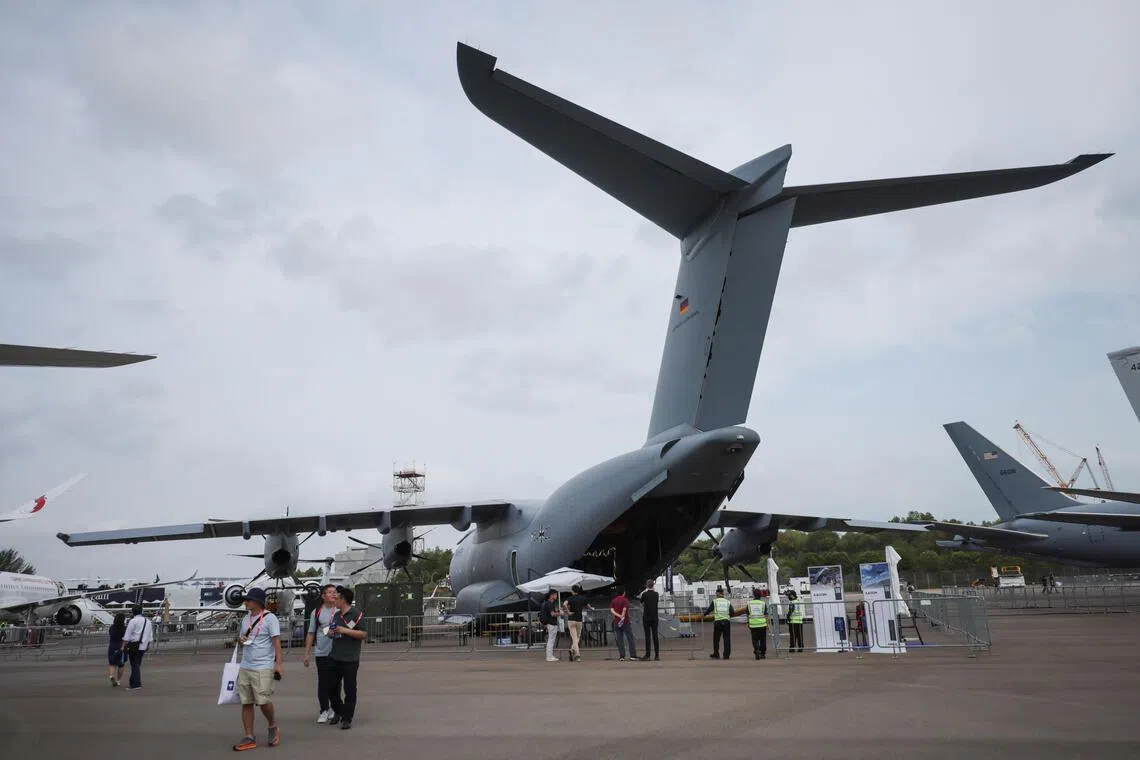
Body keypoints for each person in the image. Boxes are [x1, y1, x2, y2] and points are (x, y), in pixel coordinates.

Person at [232, 587, 283, 752]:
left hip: (263, 666)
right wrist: (241, 640)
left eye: (248, 600)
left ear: (258, 602)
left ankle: (273, 725)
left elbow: (276, 642)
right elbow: (242, 639)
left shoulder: (270, 618)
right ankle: (249, 736)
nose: (245, 602)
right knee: (246, 701)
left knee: (263, 701)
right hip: (246, 664)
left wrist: (278, 664)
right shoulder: (245, 619)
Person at [326, 586, 366, 730]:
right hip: (335, 656)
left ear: (343, 599)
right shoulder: (336, 615)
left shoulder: (356, 614)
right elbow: (333, 629)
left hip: (350, 658)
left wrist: (345, 630)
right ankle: (339, 710)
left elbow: (363, 634)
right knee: (330, 688)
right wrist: (330, 633)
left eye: (336, 598)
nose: (334, 600)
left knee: (350, 689)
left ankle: (346, 718)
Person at [303, 584, 338, 723]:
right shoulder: (316, 612)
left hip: (337, 652)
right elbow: (311, 633)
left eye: (335, 592)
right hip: (322, 652)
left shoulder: (340, 610)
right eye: (330, 592)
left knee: (336, 682)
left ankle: (335, 708)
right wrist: (307, 653)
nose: (333, 594)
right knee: (323, 682)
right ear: (323, 596)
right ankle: (324, 709)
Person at [120, 604, 153, 689]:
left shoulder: (133, 621)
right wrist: (148, 644)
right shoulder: (148, 621)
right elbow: (150, 635)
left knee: (134, 665)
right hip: (143, 645)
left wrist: (123, 646)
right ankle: (133, 682)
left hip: (134, 645)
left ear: (133, 612)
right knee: (137, 664)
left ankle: (136, 684)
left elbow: (127, 635)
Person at [562, 585, 592, 662]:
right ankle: (577, 654)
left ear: (572, 591)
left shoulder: (570, 598)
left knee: (574, 638)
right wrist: (592, 608)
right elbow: (588, 606)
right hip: (579, 620)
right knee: (577, 637)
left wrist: (568, 612)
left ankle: (573, 650)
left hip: (571, 619)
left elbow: (564, 604)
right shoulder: (583, 598)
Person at [705, 586, 733, 659]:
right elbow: (732, 612)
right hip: (726, 622)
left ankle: (716, 654)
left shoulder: (715, 601)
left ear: (717, 593)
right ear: (723, 593)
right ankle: (726, 655)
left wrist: (703, 615)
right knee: (726, 639)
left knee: (716, 639)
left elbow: (709, 610)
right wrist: (727, 616)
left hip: (718, 622)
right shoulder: (727, 602)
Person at [610, 586, 637, 661]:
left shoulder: (614, 600)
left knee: (619, 639)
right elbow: (624, 609)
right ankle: (632, 655)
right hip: (625, 621)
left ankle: (622, 656)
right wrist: (622, 616)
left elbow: (611, 610)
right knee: (630, 638)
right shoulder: (625, 600)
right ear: (624, 593)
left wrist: (618, 616)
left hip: (616, 621)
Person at [638, 579, 660, 661]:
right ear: (653, 585)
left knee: (647, 637)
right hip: (655, 617)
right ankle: (657, 655)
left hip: (647, 618)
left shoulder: (644, 594)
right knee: (655, 636)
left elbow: (641, 602)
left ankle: (647, 655)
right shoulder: (656, 594)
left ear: (647, 585)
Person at [539, 589, 561, 662]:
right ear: (552, 595)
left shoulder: (547, 603)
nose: (556, 596)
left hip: (550, 623)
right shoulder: (550, 603)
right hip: (551, 623)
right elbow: (552, 614)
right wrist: (561, 614)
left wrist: (558, 611)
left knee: (551, 640)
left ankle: (550, 655)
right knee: (551, 640)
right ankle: (549, 656)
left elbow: (553, 612)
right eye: (556, 594)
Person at [746, 588, 769, 660]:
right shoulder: (763, 603)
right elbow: (766, 615)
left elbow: (748, 614)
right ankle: (762, 653)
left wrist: (748, 622)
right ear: (760, 595)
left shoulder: (749, 603)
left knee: (755, 639)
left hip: (753, 624)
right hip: (762, 624)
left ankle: (757, 650)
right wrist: (767, 624)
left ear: (753, 595)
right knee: (763, 639)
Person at [106, 612, 127, 687]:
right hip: (121, 647)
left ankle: (111, 676)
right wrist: (123, 647)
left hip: (112, 647)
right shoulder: (124, 628)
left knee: (112, 663)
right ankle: (118, 681)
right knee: (121, 665)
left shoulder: (112, 628)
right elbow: (125, 639)